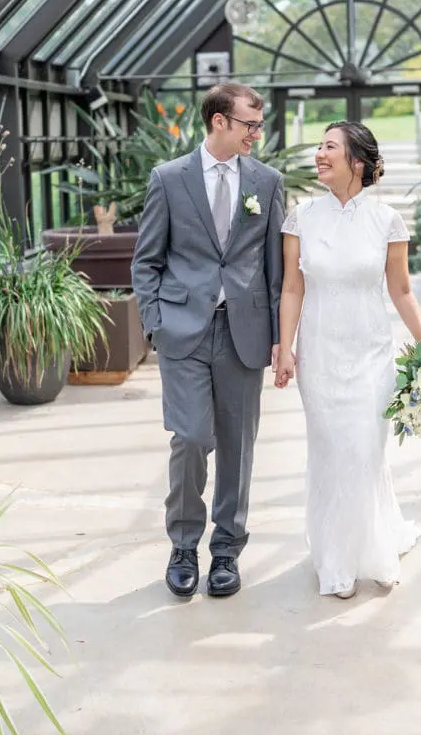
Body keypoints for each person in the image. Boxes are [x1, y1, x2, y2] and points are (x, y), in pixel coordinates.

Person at [132, 82, 284, 599]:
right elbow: (146, 260)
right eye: (249, 125)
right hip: (183, 330)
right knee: (192, 437)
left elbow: (274, 271)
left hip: (244, 331)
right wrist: (155, 322)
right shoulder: (169, 179)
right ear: (219, 122)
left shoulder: (267, 182)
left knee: (239, 446)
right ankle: (182, 544)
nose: (256, 135)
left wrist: (281, 339)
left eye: (258, 125)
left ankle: (226, 550)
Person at [275, 121, 421, 599]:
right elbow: (292, 288)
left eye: (329, 148)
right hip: (319, 356)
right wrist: (286, 347)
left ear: (356, 162)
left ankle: (375, 549)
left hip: (371, 355)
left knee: (364, 450)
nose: (319, 154)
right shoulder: (300, 217)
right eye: (319, 147)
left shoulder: (388, 220)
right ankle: (337, 560)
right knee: (332, 454)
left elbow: (401, 290)